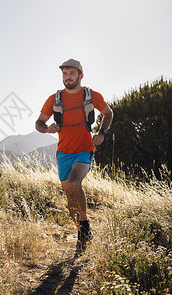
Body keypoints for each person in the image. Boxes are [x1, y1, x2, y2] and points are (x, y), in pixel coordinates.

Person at [35, 59, 113, 256]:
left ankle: (85, 224)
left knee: (73, 182)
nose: (67, 77)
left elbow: (108, 112)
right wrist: (46, 129)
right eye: (64, 74)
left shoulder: (91, 95)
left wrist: (102, 133)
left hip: (84, 150)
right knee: (70, 200)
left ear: (80, 75)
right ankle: (82, 235)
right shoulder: (54, 99)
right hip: (63, 153)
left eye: (71, 73)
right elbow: (39, 123)